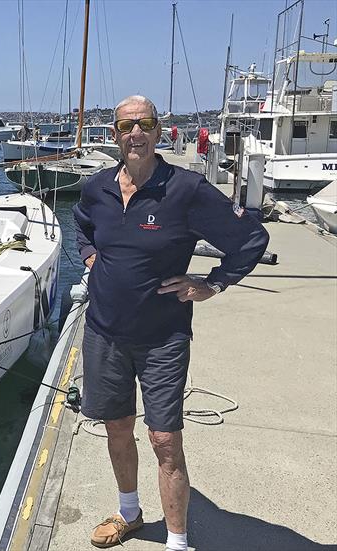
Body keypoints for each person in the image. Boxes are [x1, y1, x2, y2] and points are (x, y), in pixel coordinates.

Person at [72, 95, 269, 551]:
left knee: (163, 438)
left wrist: (212, 284)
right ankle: (130, 514)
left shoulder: (186, 190)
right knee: (117, 428)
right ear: (115, 133)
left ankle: (177, 541)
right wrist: (89, 255)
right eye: (126, 126)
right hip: (103, 333)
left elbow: (251, 239)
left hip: (162, 338)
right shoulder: (97, 187)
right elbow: (82, 225)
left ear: (159, 131)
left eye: (145, 124)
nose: (135, 134)